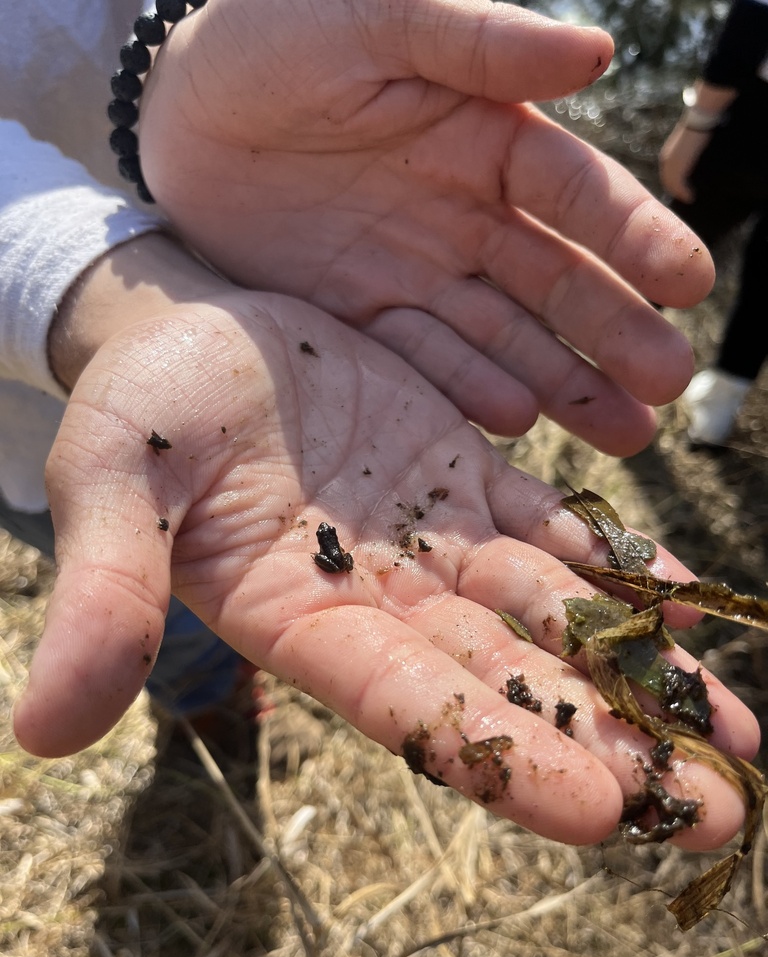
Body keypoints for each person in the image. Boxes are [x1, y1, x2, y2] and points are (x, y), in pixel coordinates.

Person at [0, 0, 758, 850]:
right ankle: (205, 707)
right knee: (173, 616)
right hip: (32, 422)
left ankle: (215, 683)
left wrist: (177, 38)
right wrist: (88, 284)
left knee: (208, 591)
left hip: (281, 264)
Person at [659, 0, 768, 446]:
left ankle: (612, 370)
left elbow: (756, 17)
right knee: (766, 286)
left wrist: (695, 126)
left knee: (671, 249)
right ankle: (716, 416)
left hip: (749, 133)